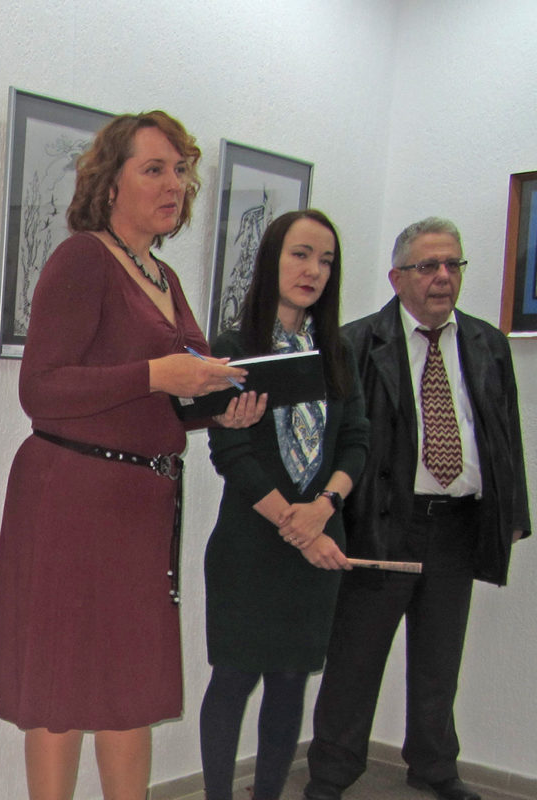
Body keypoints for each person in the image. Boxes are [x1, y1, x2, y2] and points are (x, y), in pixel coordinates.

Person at [0, 111, 265, 800]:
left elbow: (178, 392)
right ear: (111, 183)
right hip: (72, 496)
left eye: (181, 171)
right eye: (155, 169)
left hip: (141, 506)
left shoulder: (163, 276)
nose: (175, 184)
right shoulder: (83, 259)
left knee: (128, 686)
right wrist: (154, 374)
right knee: (61, 687)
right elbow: (40, 389)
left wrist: (220, 406)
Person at [304, 217, 531, 800]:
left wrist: (510, 516)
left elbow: (505, 436)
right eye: (428, 266)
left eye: (453, 264)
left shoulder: (487, 345)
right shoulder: (356, 344)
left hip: (458, 525)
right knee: (355, 661)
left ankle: (435, 767)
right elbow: (330, 446)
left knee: (439, 662)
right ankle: (331, 774)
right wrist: (327, 523)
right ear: (397, 277)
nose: (443, 277)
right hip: (380, 525)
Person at [197, 210, 369, 800]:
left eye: (326, 260)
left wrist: (324, 508)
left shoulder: (337, 350)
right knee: (232, 679)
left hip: (319, 539)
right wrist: (297, 526)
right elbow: (231, 452)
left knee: (291, 682)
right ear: (271, 259)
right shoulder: (232, 347)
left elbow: (357, 440)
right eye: (300, 254)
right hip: (250, 544)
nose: (313, 270)